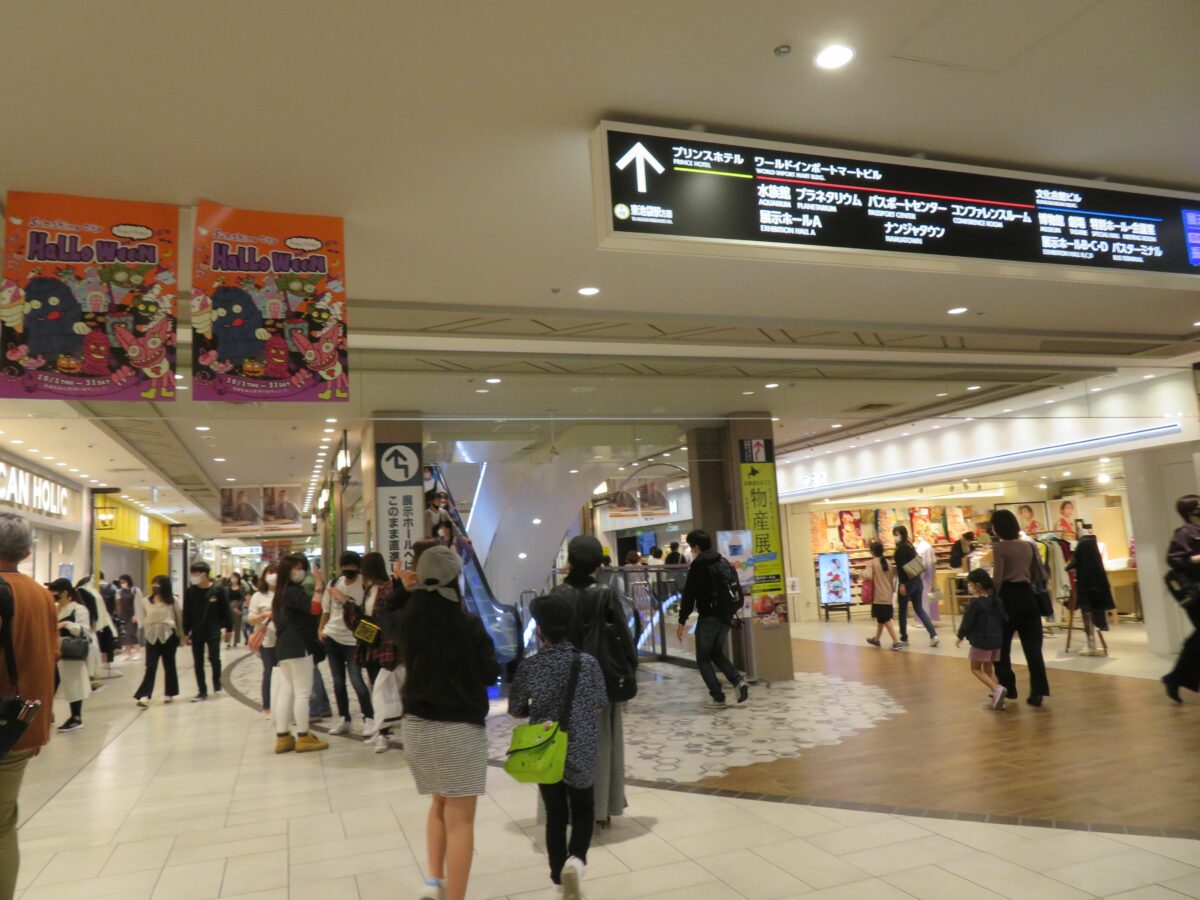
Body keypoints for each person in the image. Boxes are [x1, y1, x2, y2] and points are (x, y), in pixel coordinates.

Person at [394, 546, 500, 900]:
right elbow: (490, 672)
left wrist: (402, 590)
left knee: (438, 802)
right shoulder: (468, 624)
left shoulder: (408, 621)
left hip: (416, 727)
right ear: (456, 577)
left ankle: (434, 882)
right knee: (461, 819)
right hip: (460, 729)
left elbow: (383, 619)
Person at [509, 593, 607, 898]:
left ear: (540, 630)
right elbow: (599, 704)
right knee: (583, 809)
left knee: (555, 814)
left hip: (545, 747)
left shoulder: (530, 666)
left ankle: (557, 877)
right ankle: (576, 861)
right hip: (581, 745)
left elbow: (516, 709)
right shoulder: (588, 663)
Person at [552, 535, 637, 826]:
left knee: (565, 744)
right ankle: (600, 809)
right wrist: (630, 667)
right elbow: (623, 636)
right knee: (601, 743)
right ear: (597, 564)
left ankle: (566, 807)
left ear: (570, 561)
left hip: (564, 681)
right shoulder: (605, 593)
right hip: (600, 679)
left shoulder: (557, 594)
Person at [0, 515, 57, 900]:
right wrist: (37, 725)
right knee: (4, 823)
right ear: (25, 551)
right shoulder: (41, 594)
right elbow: (47, 659)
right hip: (17, 726)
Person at [677, 529, 749, 710]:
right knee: (716, 653)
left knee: (703, 658)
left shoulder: (698, 566)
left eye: (691, 546)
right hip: (726, 615)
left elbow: (689, 596)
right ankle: (738, 681)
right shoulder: (722, 561)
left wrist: (682, 620)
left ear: (696, 546)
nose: (691, 550)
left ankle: (718, 698)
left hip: (708, 617)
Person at [990, 508, 1051, 707]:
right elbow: (1036, 574)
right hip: (1027, 596)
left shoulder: (999, 548)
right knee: (1033, 648)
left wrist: (991, 598)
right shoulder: (1028, 546)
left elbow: (998, 578)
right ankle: (1038, 691)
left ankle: (1008, 688)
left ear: (998, 527)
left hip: (1006, 598)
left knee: (1001, 647)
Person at [271, 555, 329, 754]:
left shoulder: (280, 593)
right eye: (296, 568)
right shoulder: (293, 591)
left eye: (301, 567)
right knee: (303, 693)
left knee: (286, 692)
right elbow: (314, 608)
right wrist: (319, 585)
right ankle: (303, 736)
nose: (300, 571)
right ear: (287, 571)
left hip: (283, 648)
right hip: (299, 646)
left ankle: (283, 736)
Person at [346, 551, 399, 752]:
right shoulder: (369, 590)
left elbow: (385, 617)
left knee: (382, 690)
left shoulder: (387, 588)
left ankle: (385, 733)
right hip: (370, 645)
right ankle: (381, 730)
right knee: (375, 688)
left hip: (384, 646)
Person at [320, 550, 375, 736]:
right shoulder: (334, 583)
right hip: (333, 636)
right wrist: (321, 629)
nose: (348, 570)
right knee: (338, 682)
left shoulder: (364, 584)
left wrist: (343, 599)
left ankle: (369, 718)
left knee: (356, 679)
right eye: (345, 566)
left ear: (358, 568)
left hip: (354, 639)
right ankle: (344, 718)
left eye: (352, 567)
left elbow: (364, 612)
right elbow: (326, 609)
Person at [1163, 495, 1200, 703]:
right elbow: (1174, 559)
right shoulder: (1185, 533)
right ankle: (1176, 678)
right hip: (1195, 592)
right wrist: (1196, 558)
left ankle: (1176, 678)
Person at [956, 569, 1008, 710]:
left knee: (975, 668)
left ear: (978, 585)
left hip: (981, 641)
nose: (969, 587)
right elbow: (1005, 618)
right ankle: (997, 699)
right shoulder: (996, 600)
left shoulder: (976, 603)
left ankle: (997, 689)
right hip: (996, 641)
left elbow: (967, 621)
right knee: (988, 669)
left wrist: (960, 636)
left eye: (970, 584)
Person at [182, 561, 231, 702]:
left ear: (204, 574)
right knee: (198, 662)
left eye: (195, 573)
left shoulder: (218, 590)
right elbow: (187, 613)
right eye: (192, 573)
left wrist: (229, 628)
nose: (193, 576)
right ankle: (202, 690)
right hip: (196, 630)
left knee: (214, 658)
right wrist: (185, 632)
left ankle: (216, 682)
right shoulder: (190, 592)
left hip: (213, 629)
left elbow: (226, 610)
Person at [133, 575, 183, 707]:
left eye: (158, 584)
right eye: (154, 583)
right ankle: (145, 695)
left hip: (169, 635)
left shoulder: (173, 601)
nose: (155, 586)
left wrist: (181, 635)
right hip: (152, 636)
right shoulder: (145, 601)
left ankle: (170, 692)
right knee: (150, 666)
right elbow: (143, 618)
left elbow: (179, 618)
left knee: (169, 665)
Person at [49, 578, 92, 732]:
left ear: (65, 592)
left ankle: (76, 717)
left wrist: (66, 624)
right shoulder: (53, 609)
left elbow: (85, 630)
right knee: (49, 685)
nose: (52, 594)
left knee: (74, 685)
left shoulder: (78, 609)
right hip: (53, 651)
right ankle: (47, 714)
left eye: (55, 591)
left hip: (70, 652)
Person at [893, 525, 939, 647]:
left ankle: (904, 637)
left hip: (907, 583)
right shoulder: (910, 545)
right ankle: (933, 635)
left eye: (896, 534)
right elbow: (916, 564)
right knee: (919, 608)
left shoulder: (900, 549)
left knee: (902, 611)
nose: (895, 537)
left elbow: (902, 568)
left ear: (902, 534)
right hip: (917, 580)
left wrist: (902, 584)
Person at [247, 564, 279, 719]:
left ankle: (283, 704)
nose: (273, 576)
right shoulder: (258, 596)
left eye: (276, 573)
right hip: (267, 640)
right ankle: (267, 706)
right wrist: (264, 615)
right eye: (270, 573)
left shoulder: (286, 593)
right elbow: (251, 619)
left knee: (286, 673)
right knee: (269, 671)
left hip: (286, 639)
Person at [863, 541, 902, 651]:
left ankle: (896, 642)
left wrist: (860, 574)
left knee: (885, 619)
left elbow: (868, 575)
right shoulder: (888, 562)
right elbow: (893, 577)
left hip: (878, 596)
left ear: (872, 552)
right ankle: (876, 639)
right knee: (881, 618)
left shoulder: (872, 563)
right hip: (888, 595)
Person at [116, 574, 141, 662]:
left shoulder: (135, 590)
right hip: (123, 615)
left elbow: (139, 603)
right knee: (125, 634)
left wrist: (136, 615)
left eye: (124, 582)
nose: (122, 583)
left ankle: (138, 651)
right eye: (121, 582)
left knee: (131, 633)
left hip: (132, 614)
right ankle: (127, 652)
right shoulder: (119, 591)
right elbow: (118, 603)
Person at [226, 573, 245, 649]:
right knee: (229, 625)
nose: (233, 579)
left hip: (237, 607)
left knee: (237, 625)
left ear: (238, 578)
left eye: (235, 577)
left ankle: (236, 641)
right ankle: (228, 641)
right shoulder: (228, 588)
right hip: (229, 607)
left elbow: (242, 599)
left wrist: (239, 607)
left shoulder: (241, 587)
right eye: (232, 577)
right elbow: (226, 598)